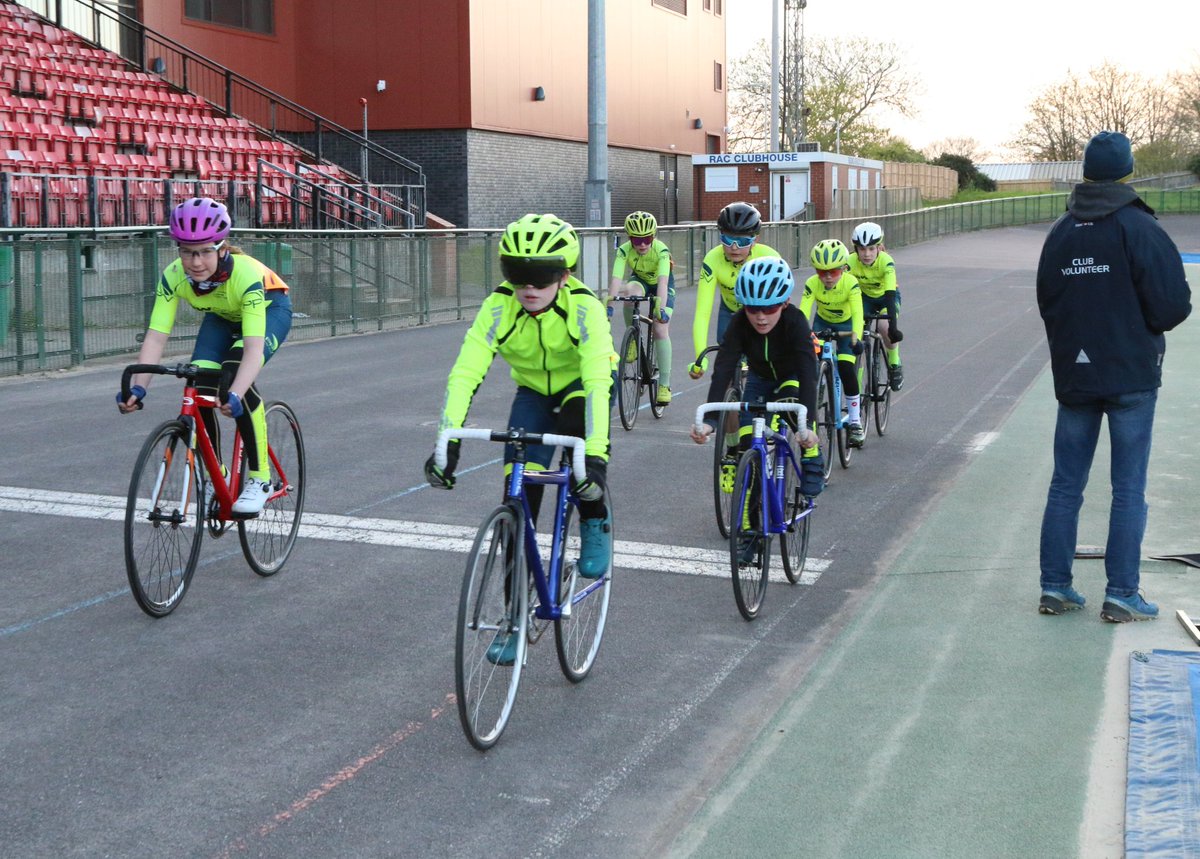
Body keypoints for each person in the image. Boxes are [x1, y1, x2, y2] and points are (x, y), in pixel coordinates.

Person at [424, 213, 615, 662]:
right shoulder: (498, 308)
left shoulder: (583, 308)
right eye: (517, 274)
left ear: (565, 275)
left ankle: (595, 516)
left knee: (582, 471)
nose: (529, 287)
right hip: (532, 394)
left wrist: (596, 457)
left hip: (578, 391)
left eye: (542, 276)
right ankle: (514, 618)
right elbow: (466, 371)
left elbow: (596, 382)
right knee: (517, 503)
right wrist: (447, 442)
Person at [1036, 130, 1191, 622]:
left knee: (1066, 486)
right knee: (1127, 490)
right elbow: (1172, 305)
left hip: (1075, 377)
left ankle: (1055, 587)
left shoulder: (1061, 230)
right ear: (1128, 171)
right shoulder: (1140, 226)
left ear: (1085, 171)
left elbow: (1047, 301)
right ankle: (1122, 593)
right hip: (1131, 377)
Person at [117, 197, 293, 517]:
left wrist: (236, 393)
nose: (195, 262)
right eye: (187, 251)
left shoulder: (245, 275)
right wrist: (139, 387)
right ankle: (218, 474)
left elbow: (252, 350)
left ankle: (260, 478)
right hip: (222, 317)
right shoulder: (173, 276)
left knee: (233, 377)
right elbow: (156, 336)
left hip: (269, 310)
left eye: (205, 251)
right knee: (199, 382)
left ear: (222, 249)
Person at [690, 257, 824, 561]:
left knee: (791, 406)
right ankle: (750, 534)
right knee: (749, 454)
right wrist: (710, 421)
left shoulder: (795, 322)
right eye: (752, 309)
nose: (761, 317)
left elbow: (808, 374)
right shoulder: (739, 323)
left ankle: (812, 456)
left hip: (792, 376)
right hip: (759, 380)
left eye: (770, 308)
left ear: (785, 303)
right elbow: (723, 369)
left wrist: (809, 427)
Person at [688, 201, 782, 379]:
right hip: (730, 309)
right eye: (728, 239)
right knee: (727, 361)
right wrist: (700, 358)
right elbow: (702, 313)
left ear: (755, 240)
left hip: (762, 312)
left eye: (742, 241)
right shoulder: (712, 259)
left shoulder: (770, 258)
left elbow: (781, 306)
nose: (734, 247)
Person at [798, 239, 866, 447]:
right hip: (823, 322)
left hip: (847, 326)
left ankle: (855, 421)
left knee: (846, 367)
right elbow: (803, 312)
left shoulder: (850, 283)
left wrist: (857, 337)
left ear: (843, 268)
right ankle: (819, 387)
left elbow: (858, 312)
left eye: (834, 272)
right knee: (811, 362)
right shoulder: (812, 283)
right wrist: (800, 336)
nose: (827, 277)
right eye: (822, 272)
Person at [609, 210, 675, 405]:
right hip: (640, 281)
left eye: (647, 239)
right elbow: (616, 279)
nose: (643, 245)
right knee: (629, 293)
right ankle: (633, 341)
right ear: (630, 238)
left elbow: (663, 283)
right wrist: (609, 307)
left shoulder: (661, 251)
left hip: (662, 285)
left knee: (660, 328)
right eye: (637, 240)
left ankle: (664, 385)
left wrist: (660, 309)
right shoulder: (624, 250)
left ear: (654, 236)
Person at [848, 221, 904, 391]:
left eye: (871, 249)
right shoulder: (850, 262)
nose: (867, 254)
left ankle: (894, 363)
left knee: (883, 326)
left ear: (879, 248)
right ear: (856, 249)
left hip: (887, 297)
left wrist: (893, 326)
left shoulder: (886, 262)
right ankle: (856, 386)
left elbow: (890, 294)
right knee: (857, 334)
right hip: (864, 298)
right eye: (862, 249)